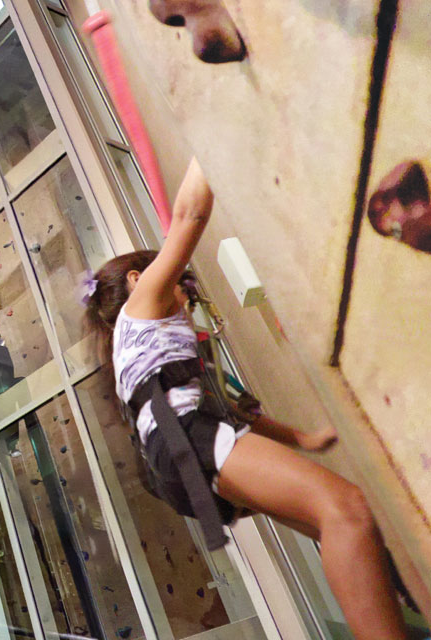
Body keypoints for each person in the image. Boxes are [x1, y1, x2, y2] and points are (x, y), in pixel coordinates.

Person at [84, 158, 407, 638]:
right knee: (346, 511)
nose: (185, 296)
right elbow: (189, 215)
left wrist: (304, 438)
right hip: (187, 440)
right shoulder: (141, 302)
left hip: (181, 455)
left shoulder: (143, 353)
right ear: (136, 277)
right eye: (180, 283)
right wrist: (206, 151)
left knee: (338, 527)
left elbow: (231, 409)